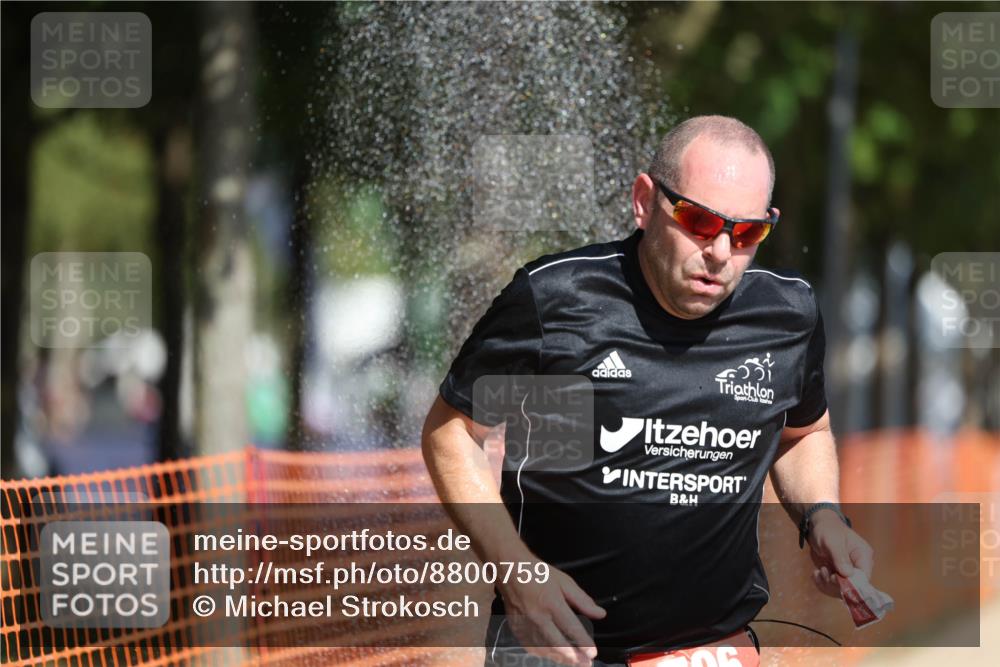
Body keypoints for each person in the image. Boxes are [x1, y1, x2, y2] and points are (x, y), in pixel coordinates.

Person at [421, 115, 874, 666]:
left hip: (715, 649)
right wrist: (516, 572)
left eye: (748, 232)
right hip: (561, 649)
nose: (721, 251)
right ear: (644, 201)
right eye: (700, 222)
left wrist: (822, 516)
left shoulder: (785, 316)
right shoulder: (558, 301)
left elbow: (803, 433)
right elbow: (453, 432)